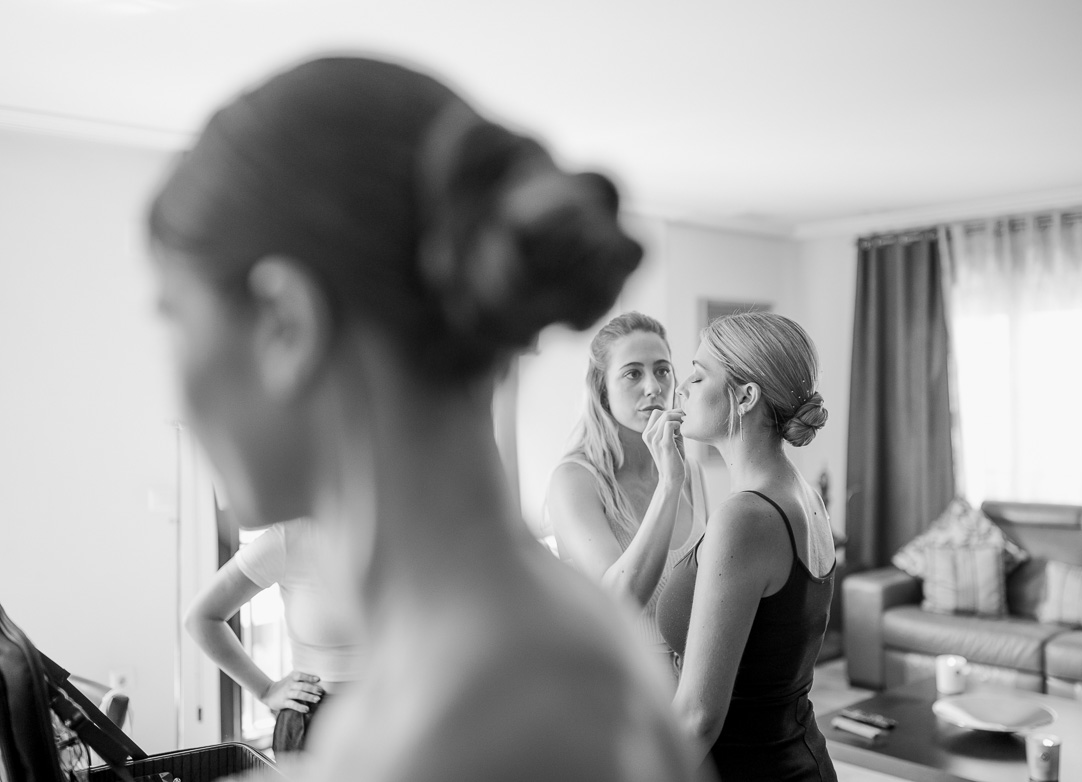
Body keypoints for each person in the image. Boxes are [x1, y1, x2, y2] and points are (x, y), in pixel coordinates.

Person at [148, 56, 701, 780]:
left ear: (286, 324)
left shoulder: (485, 725)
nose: (176, 392)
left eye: (174, 317)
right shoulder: (504, 655)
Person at [657, 312, 839, 781]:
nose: (682, 387)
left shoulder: (746, 517)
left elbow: (698, 717)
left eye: (698, 375)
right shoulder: (801, 493)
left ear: (745, 396)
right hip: (797, 758)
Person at [546, 312, 707, 671]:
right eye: (633, 373)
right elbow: (617, 602)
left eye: (662, 370)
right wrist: (668, 484)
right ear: (601, 388)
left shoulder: (691, 472)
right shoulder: (575, 480)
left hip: (696, 679)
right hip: (626, 682)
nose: (653, 387)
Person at [185, 518, 363, 763]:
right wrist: (266, 690)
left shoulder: (418, 529)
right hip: (313, 726)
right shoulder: (288, 538)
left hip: (405, 712)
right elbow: (201, 618)